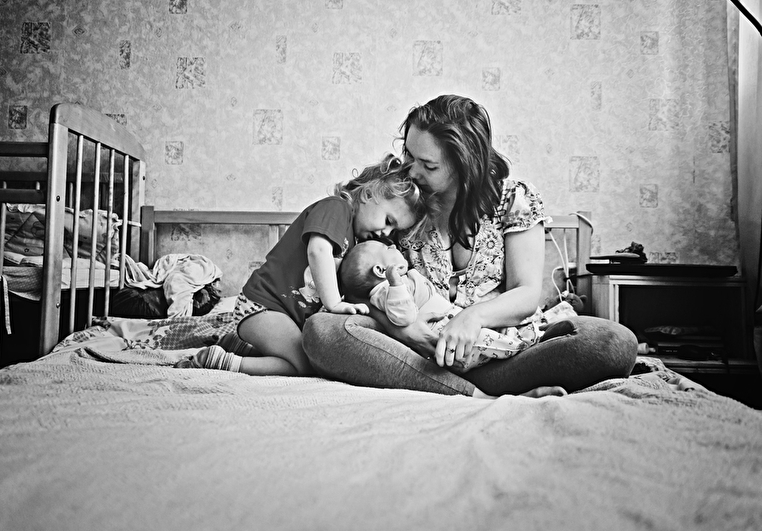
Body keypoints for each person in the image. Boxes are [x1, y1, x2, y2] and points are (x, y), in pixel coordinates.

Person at [302, 94, 638, 398]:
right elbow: (364, 288)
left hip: (503, 351)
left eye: (428, 165)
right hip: (421, 351)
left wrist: (472, 318)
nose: (412, 171)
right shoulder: (404, 206)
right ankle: (477, 392)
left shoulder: (513, 199)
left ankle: (455, 386)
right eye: (409, 155)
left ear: (464, 164)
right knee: (323, 330)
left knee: (612, 343)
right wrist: (407, 333)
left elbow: (525, 293)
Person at [175, 154, 429, 377]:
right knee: (305, 365)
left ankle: (240, 347)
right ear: (368, 194)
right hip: (264, 305)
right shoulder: (336, 208)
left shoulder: (357, 246)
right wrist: (334, 304)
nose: (386, 233)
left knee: (311, 356)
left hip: (283, 316)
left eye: (394, 230)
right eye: (388, 220)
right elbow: (318, 251)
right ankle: (223, 362)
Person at [339, 240, 542, 372]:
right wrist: (395, 283)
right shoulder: (386, 290)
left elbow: (527, 292)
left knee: (490, 336)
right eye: (386, 249)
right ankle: (521, 347)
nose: (392, 245)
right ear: (380, 270)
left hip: (455, 321)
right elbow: (403, 316)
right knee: (486, 341)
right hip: (441, 333)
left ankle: (525, 341)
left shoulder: (396, 283)